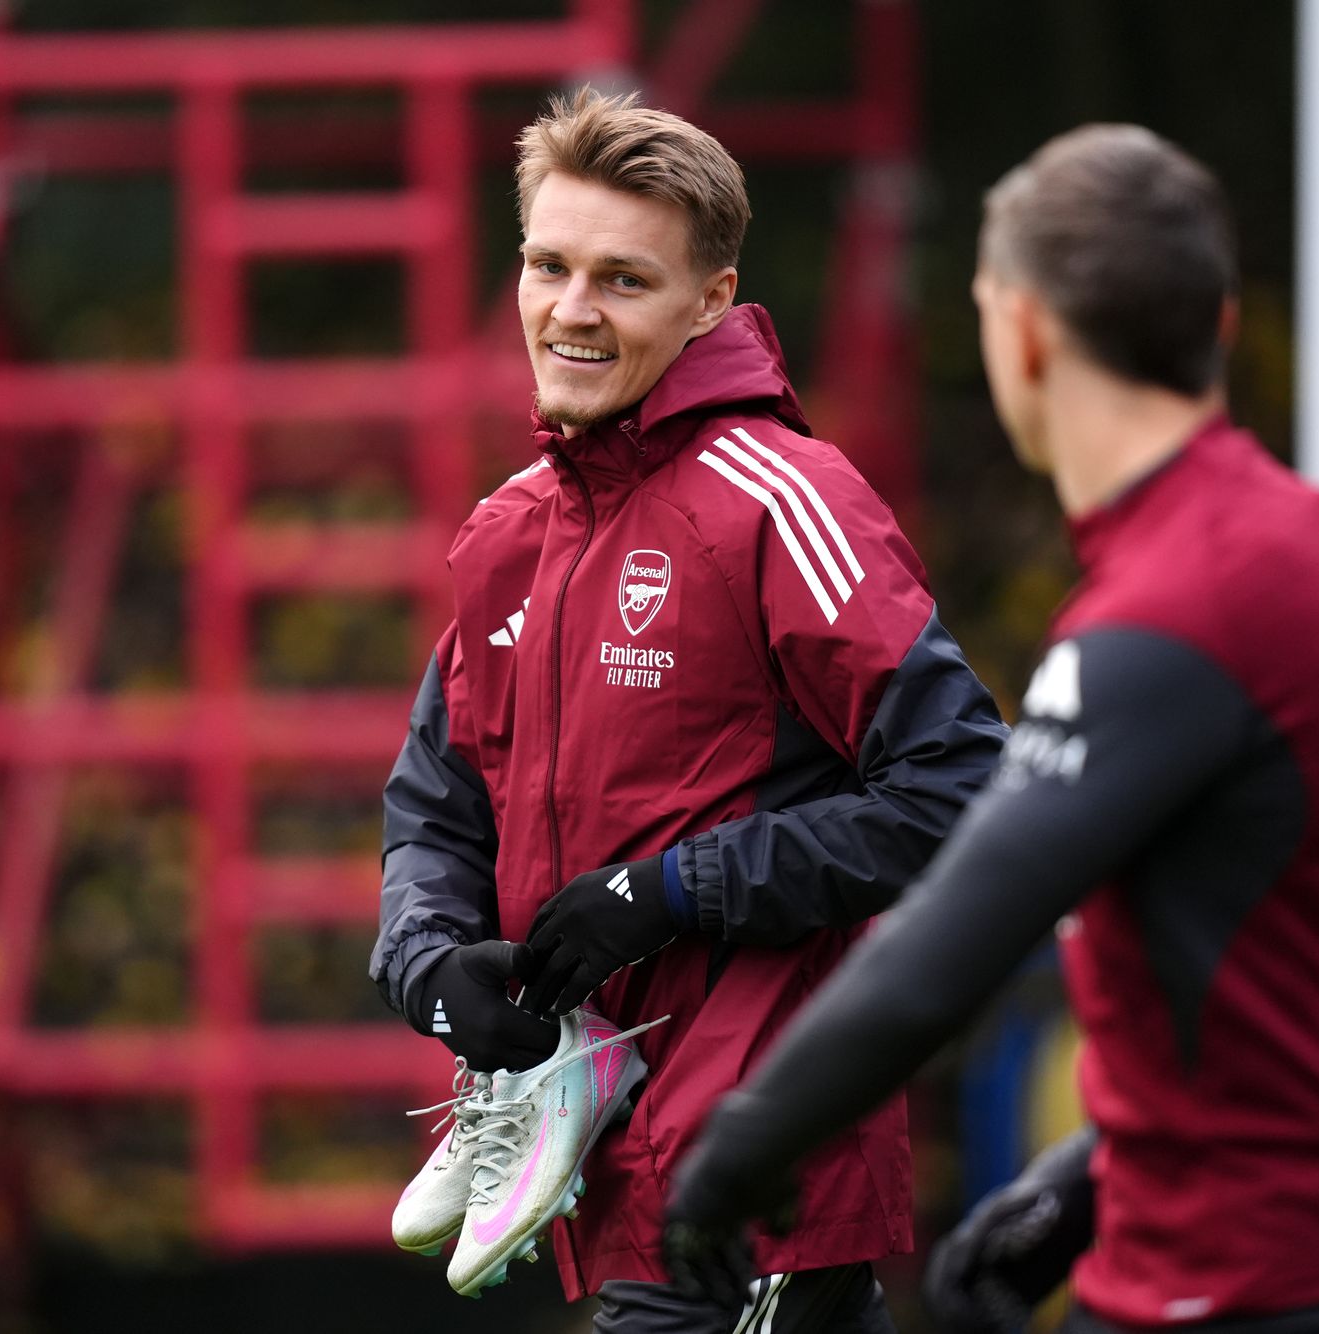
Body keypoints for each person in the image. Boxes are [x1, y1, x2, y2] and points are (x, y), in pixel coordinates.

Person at [663, 123, 1319, 1334]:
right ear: (1216, 326)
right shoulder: (1291, 537)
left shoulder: (1178, 603)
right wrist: (1081, 1183)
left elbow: (945, 942)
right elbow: (1263, 969)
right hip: (1260, 1265)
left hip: (1280, 1292)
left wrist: (737, 1147)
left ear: (1024, 334)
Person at [368, 87, 1008, 1328]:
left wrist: (667, 889)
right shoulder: (507, 534)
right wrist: (435, 971)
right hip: (608, 1189)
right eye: (547, 265)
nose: (570, 310)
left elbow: (963, 785)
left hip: (756, 1181)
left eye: (622, 279)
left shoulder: (778, 496)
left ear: (712, 298)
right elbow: (432, 815)